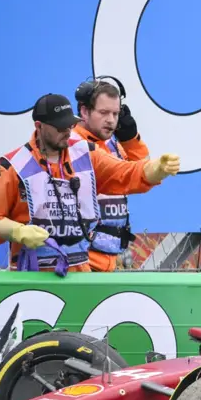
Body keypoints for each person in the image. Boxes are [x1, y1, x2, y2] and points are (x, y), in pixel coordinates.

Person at [0, 92, 180, 274]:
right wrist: (18, 232)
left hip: (80, 274)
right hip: (32, 274)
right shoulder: (14, 165)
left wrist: (157, 169)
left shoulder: (86, 154)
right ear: (39, 126)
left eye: (70, 124)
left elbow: (125, 173)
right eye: (60, 127)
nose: (67, 131)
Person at [68, 76, 149, 272]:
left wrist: (131, 140)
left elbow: (142, 175)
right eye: (104, 113)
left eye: (116, 113)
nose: (111, 120)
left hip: (109, 258)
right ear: (84, 111)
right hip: (81, 259)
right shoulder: (72, 145)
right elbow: (138, 175)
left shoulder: (113, 144)